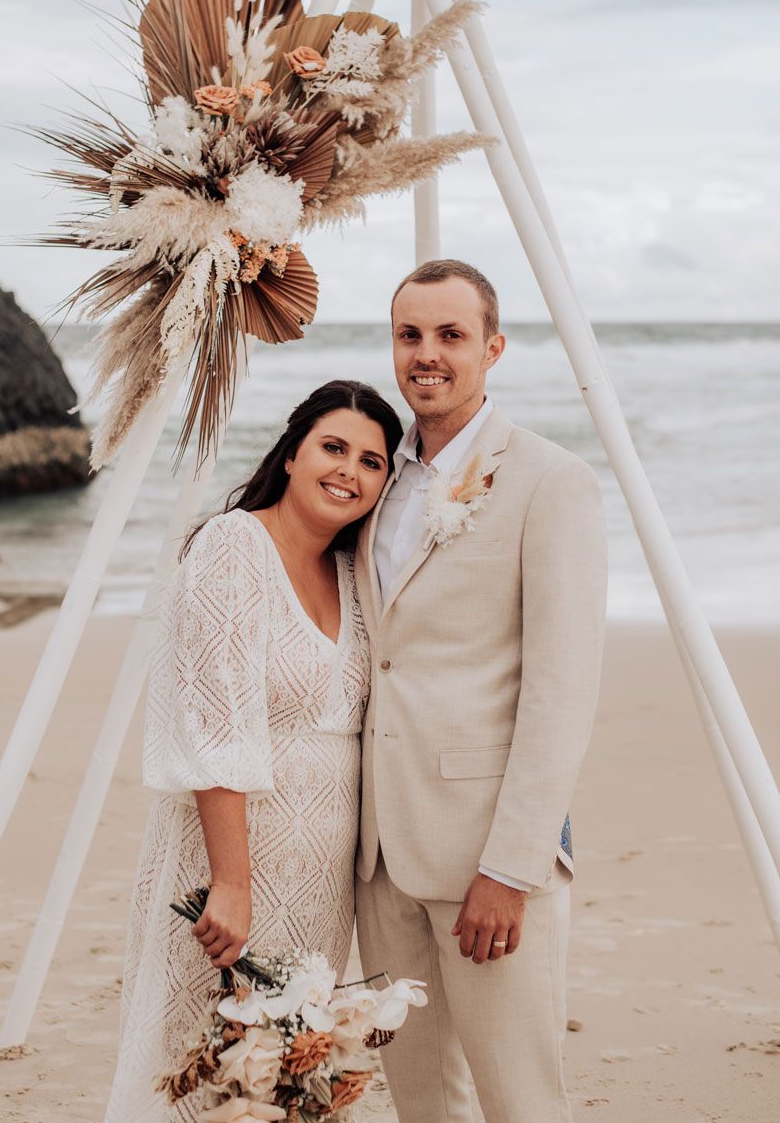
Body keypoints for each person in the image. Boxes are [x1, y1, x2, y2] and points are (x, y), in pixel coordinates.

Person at [103, 380, 403, 1123]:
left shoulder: (350, 571)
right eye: (334, 447)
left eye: (373, 461)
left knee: (288, 1074)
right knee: (205, 1068)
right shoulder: (234, 546)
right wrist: (231, 884)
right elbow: (216, 724)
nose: (349, 471)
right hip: (233, 860)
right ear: (293, 452)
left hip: (321, 878)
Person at [354, 260, 608, 1123]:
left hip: (487, 863)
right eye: (410, 335)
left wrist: (512, 867)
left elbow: (561, 692)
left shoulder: (551, 482)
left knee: (522, 1102)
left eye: (450, 335)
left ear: (492, 349)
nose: (427, 354)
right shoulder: (375, 479)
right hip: (379, 856)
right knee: (422, 1103)